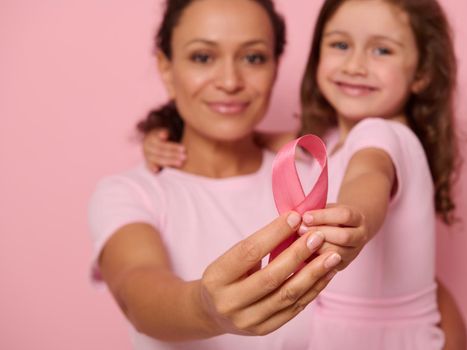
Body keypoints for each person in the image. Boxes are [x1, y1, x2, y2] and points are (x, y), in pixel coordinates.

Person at [140, 0, 467, 349]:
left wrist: (355, 220)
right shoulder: (328, 143)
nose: (355, 65)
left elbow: (368, 176)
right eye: (340, 45)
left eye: (382, 50)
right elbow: (258, 138)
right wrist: (166, 134)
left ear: (421, 73)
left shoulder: (381, 136)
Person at [89, 0, 364, 349]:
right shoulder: (130, 193)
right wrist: (206, 309)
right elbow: (137, 293)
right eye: (203, 57)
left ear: (276, 68)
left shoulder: (321, 174)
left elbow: (411, 295)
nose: (231, 81)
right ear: (167, 69)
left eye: (253, 58)